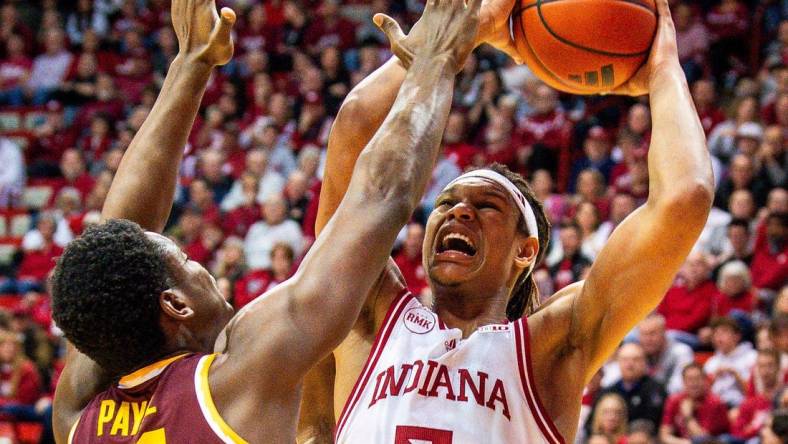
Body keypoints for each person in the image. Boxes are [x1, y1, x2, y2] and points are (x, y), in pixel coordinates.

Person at [51, 0, 482, 443]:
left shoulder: (76, 420)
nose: (201, 265)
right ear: (176, 305)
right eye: (185, 259)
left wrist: (190, 65)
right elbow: (380, 198)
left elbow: (117, 241)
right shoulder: (236, 383)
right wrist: (438, 61)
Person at [299, 0, 715, 442]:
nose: (459, 212)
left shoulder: (553, 345)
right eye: (446, 203)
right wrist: (461, 34)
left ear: (525, 250)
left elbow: (684, 198)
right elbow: (356, 123)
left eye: (487, 207)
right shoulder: (369, 313)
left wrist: (664, 71)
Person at [595, 343, 666, 429]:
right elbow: (591, 425)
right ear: (618, 362)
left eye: (635, 360)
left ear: (645, 362)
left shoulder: (656, 390)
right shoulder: (607, 392)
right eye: (625, 360)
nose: (629, 365)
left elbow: (654, 423)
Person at [660, 363, 729, 444]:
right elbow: (664, 435)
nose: (694, 383)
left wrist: (688, 416)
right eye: (689, 379)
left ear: (705, 380)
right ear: (683, 382)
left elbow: (703, 440)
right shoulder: (674, 400)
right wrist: (685, 443)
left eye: (697, 379)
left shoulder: (715, 403)